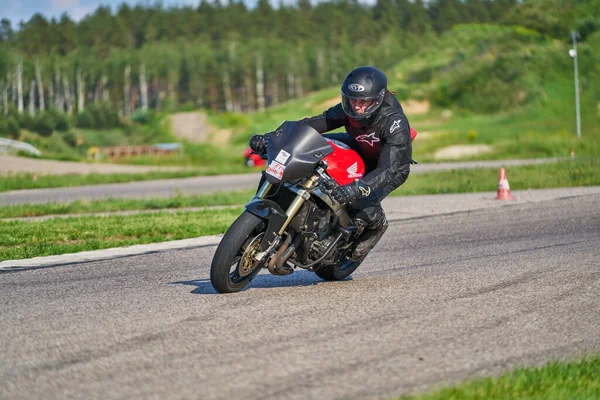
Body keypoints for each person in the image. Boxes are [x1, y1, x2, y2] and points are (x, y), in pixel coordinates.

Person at [249, 65, 413, 262]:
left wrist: (357, 188)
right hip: (357, 144)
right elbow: (310, 125)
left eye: (364, 102)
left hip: (389, 165)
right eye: (352, 100)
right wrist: (271, 138)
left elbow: (388, 168)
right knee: (308, 148)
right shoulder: (348, 110)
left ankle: (376, 223)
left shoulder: (395, 123)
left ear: (377, 99)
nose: (357, 107)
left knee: (355, 200)